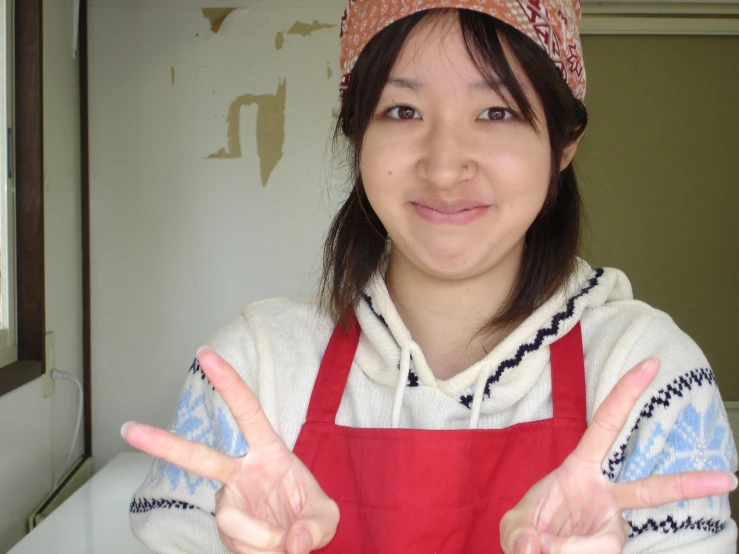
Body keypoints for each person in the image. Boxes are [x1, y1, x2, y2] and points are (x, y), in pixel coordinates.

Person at [122, 1, 738, 553]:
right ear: (357, 131)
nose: (444, 167)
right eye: (402, 109)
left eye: (496, 111)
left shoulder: (646, 377)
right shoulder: (254, 372)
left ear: (564, 141)